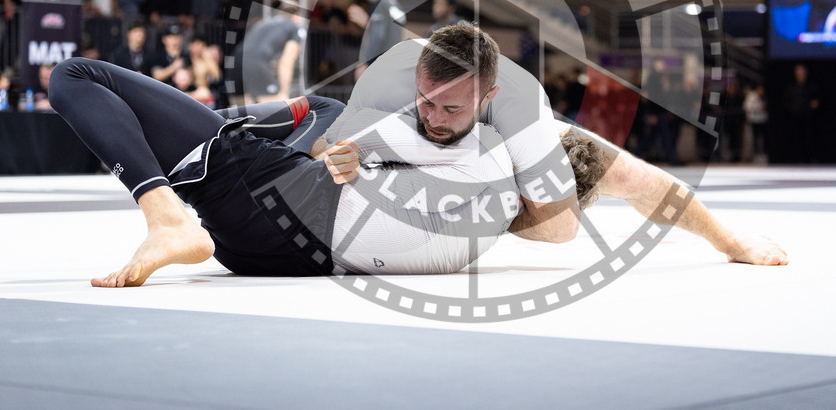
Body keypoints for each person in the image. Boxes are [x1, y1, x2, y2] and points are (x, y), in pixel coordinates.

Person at [315, 26, 787, 264]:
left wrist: (480, 211)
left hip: (511, 152)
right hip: (405, 153)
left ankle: (728, 240)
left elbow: (559, 231)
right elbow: (325, 147)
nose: (435, 118)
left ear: (487, 95)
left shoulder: (522, 113)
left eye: (453, 109)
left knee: (626, 174)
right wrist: (341, 155)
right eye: (426, 102)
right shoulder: (389, 73)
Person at [49, 51, 518, 286]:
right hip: (282, 255)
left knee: (73, 75)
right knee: (243, 131)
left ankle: (166, 220)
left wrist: (189, 121)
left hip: (267, 206)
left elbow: (236, 126)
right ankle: (178, 195)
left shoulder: (342, 116)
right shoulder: (478, 185)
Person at [348, 0, 406, 80]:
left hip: (380, 66)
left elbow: (378, 35)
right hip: (392, 64)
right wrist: (367, 23)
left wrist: (365, 63)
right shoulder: (393, 3)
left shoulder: (380, 5)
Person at [240, 12, 306, 103]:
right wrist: (284, 93)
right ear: (296, 16)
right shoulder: (295, 27)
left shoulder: (267, 23)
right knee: (277, 105)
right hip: (256, 61)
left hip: (237, 59)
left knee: (245, 109)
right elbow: (287, 62)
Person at [743, 83, 768, 163]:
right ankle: (755, 155)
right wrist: (758, 108)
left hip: (762, 120)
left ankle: (762, 154)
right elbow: (746, 107)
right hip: (753, 121)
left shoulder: (764, 97)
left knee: (762, 139)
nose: (761, 91)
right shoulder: (751, 96)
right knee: (754, 138)